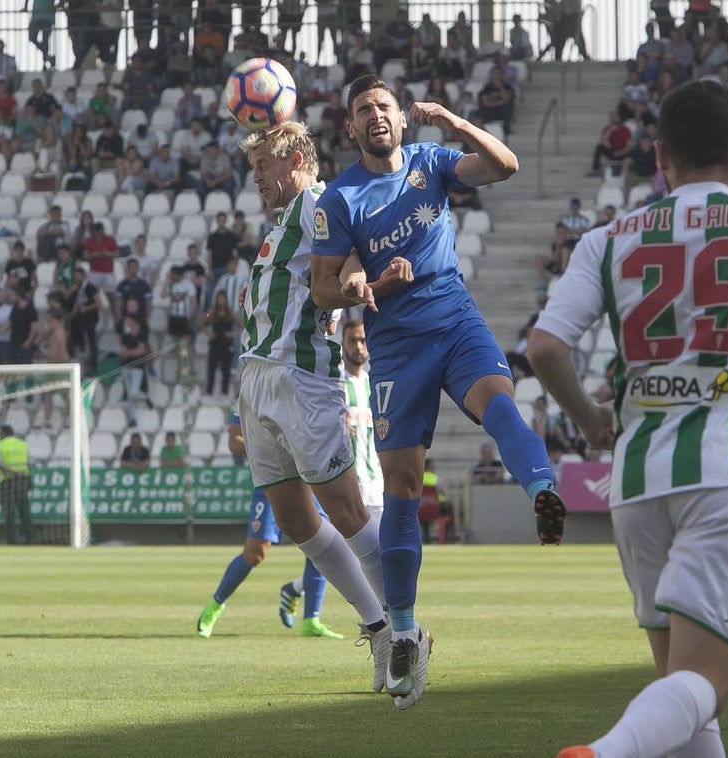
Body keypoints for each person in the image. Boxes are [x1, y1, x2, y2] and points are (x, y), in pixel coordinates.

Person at [528, 80, 728, 758]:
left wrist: (589, 418)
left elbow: (546, 348)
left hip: (637, 485)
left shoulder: (608, 239)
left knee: (681, 691)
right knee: (708, 680)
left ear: (660, 156)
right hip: (726, 476)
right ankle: (605, 755)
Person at [309, 74, 568, 710]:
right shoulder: (339, 198)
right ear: (350, 127)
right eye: (364, 109)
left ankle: (542, 490)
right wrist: (362, 290)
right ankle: (403, 634)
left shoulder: (432, 161)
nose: (375, 115)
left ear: (402, 118)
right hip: (396, 348)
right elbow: (324, 286)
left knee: (498, 403)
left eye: (385, 107)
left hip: (454, 318)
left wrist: (450, 119)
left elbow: (505, 165)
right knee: (400, 485)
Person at [234, 121, 393, 692]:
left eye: (265, 166)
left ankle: (404, 628)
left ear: (299, 160)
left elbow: (347, 256)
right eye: (252, 169)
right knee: (299, 522)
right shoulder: (282, 227)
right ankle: (377, 626)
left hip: (302, 378)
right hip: (260, 378)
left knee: (347, 513)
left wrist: (355, 284)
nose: (257, 178)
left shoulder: (317, 203)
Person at [278, 318, 386, 630]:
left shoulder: (372, 383)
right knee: (334, 548)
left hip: (375, 480)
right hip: (343, 481)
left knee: (368, 556)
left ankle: (296, 588)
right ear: (343, 342)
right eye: (353, 340)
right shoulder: (333, 381)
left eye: (363, 340)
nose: (359, 346)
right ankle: (317, 616)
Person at [197, 410, 344, 640]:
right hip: (271, 479)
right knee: (255, 553)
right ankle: (214, 606)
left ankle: (311, 620)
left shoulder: (302, 386)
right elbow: (234, 441)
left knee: (321, 543)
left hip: (307, 479)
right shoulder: (253, 389)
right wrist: (269, 450)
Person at [0, 424, 33, 544]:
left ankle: (12, 541)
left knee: (9, 512)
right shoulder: (23, 444)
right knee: (24, 510)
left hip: (7, 480)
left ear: (3, 434)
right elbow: (28, 461)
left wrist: (11, 471)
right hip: (23, 480)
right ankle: (30, 539)